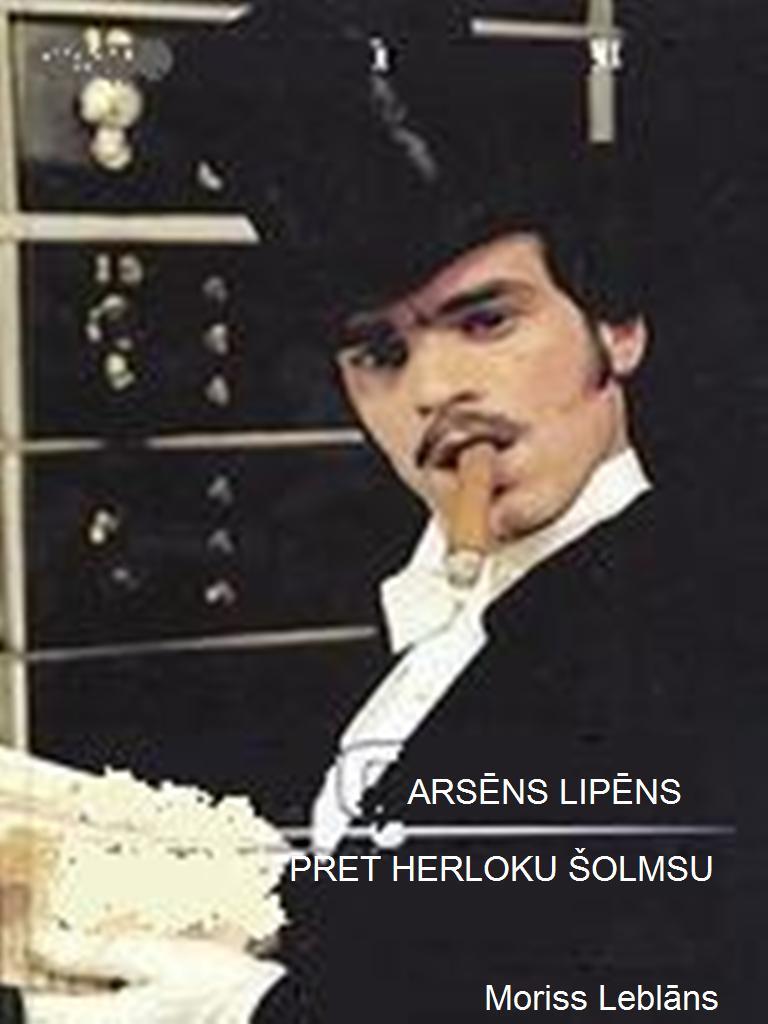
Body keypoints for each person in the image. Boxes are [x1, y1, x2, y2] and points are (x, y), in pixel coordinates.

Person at [9, 4, 765, 1021]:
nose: (434, 390)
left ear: (617, 331)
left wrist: (258, 1013)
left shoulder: (703, 636)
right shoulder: (437, 610)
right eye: (381, 352)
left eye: (486, 321)